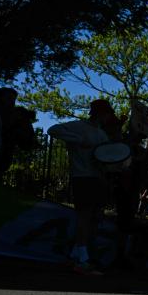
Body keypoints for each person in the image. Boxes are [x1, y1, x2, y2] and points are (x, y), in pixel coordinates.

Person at [48, 99, 115, 275]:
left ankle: (77, 255)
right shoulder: (78, 126)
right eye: (106, 113)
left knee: (94, 218)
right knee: (84, 217)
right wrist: (79, 140)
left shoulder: (102, 134)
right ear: (99, 113)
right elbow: (52, 130)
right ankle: (83, 259)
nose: (108, 117)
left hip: (97, 178)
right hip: (82, 177)